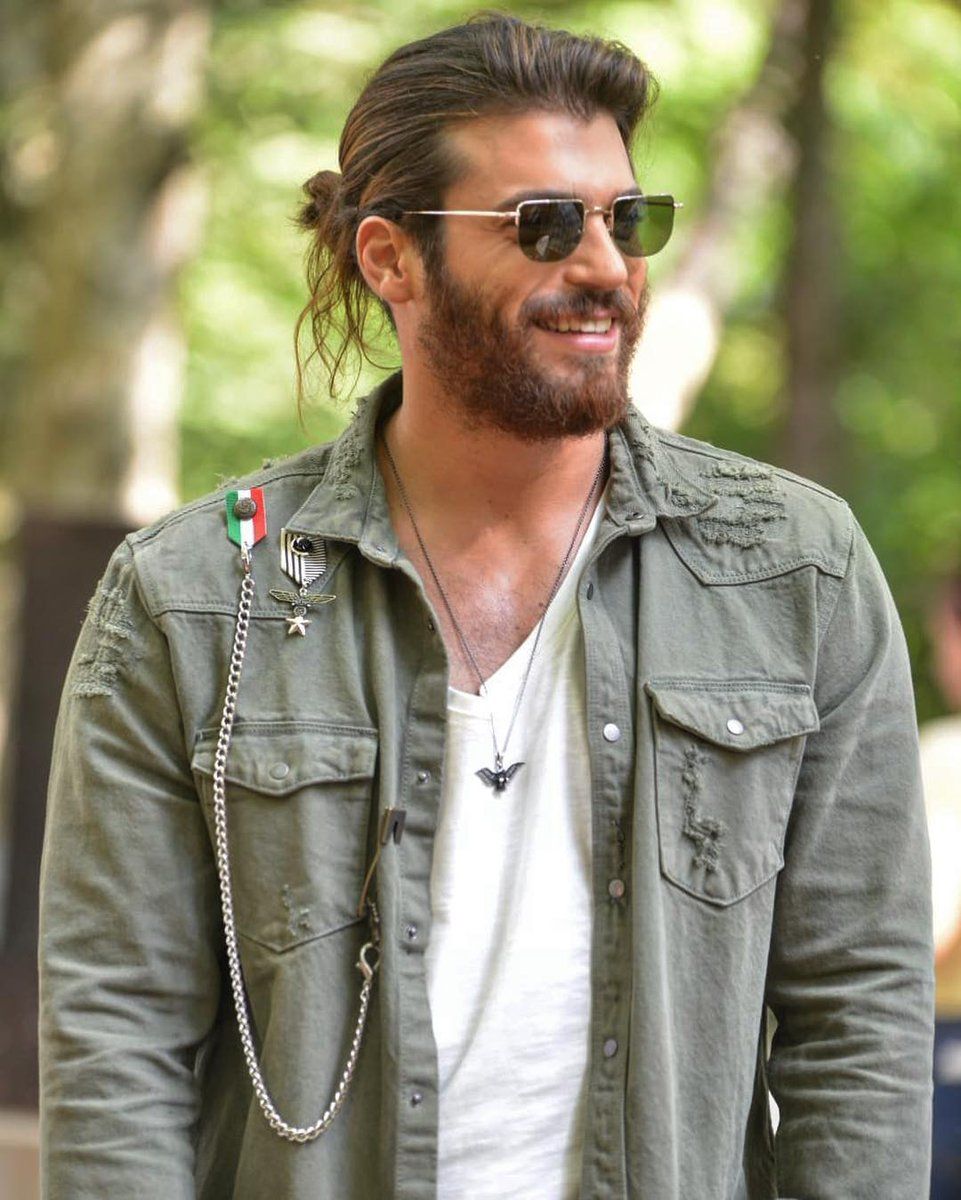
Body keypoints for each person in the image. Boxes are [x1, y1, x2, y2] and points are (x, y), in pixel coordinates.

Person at [39, 13, 934, 1199]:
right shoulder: (196, 596)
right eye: (545, 224)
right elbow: (117, 1032)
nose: (606, 266)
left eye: (628, 219)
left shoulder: (793, 571)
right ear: (389, 259)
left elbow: (857, 1017)